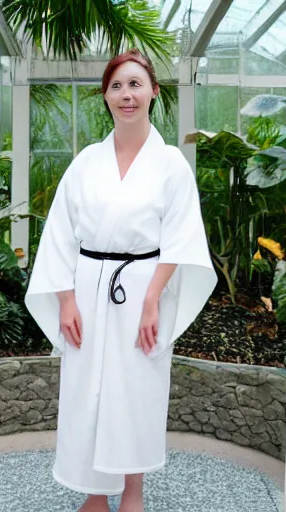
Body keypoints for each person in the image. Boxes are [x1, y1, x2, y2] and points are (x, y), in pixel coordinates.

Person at [25, 49, 217, 512]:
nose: (126, 95)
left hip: (143, 291)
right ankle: (94, 493)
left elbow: (182, 235)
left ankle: (133, 491)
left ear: (153, 91)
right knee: (87, 390)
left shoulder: (171, 164)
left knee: (136, 392)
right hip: (87, 288)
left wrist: (153, 298)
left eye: (135, 84)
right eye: (116, 86)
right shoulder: (86, 162)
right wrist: (66, 300)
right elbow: (58, 235)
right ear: (105, 97)